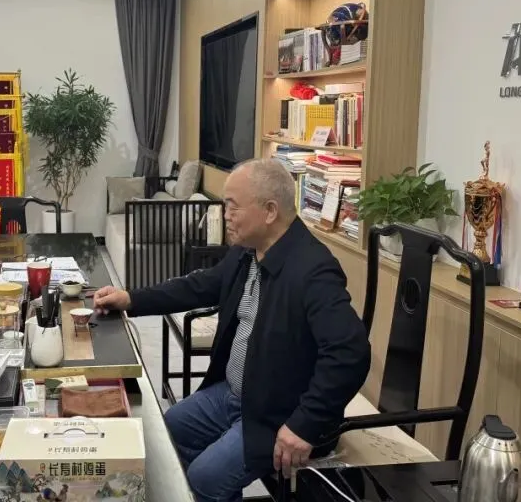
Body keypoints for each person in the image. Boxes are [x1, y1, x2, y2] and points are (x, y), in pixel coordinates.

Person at [94, 158, 371, 502]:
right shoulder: (248, 252)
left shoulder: (313, 270)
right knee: (165, 434)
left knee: (206, 477)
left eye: (232, 206)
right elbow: (198, 286)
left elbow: (350, 353)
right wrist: (131, 298)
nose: (225, 214)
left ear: (270, 211)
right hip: (235, 394)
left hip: (279, 412)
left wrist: (304, 423)